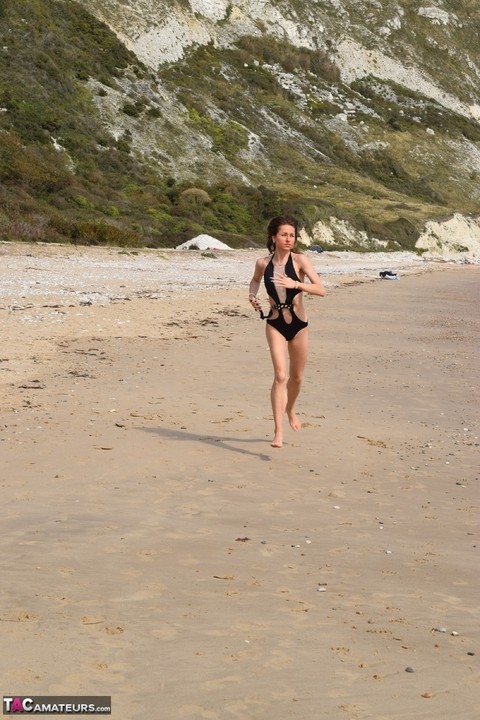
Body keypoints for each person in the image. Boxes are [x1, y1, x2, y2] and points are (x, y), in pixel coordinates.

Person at [248, 215, 326, 448]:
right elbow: (255, 280)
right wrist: (252, 296)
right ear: (273, 237)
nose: (288, 239)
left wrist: (297, 284)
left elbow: (321, 290)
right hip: (274, 323)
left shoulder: (300, 260)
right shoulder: (263, 263)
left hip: (299, 325)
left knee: (297, 377)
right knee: (281, 376)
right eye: (284, 234)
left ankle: (290, 409)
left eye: (292, 235)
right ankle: (278, 431)